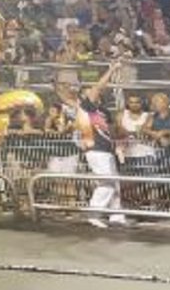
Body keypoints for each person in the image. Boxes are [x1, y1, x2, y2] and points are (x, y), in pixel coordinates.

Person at [54, 62, 127, 227]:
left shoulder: (100, 112)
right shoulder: (86, 107)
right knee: (107, 183)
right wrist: (111, 69)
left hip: (106, 150)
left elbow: (112, 131)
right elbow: (99, 87)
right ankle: (93, 214)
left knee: (114, 184)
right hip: (96, 149)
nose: (92, 94)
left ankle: (117, 217)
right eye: (90, 93)